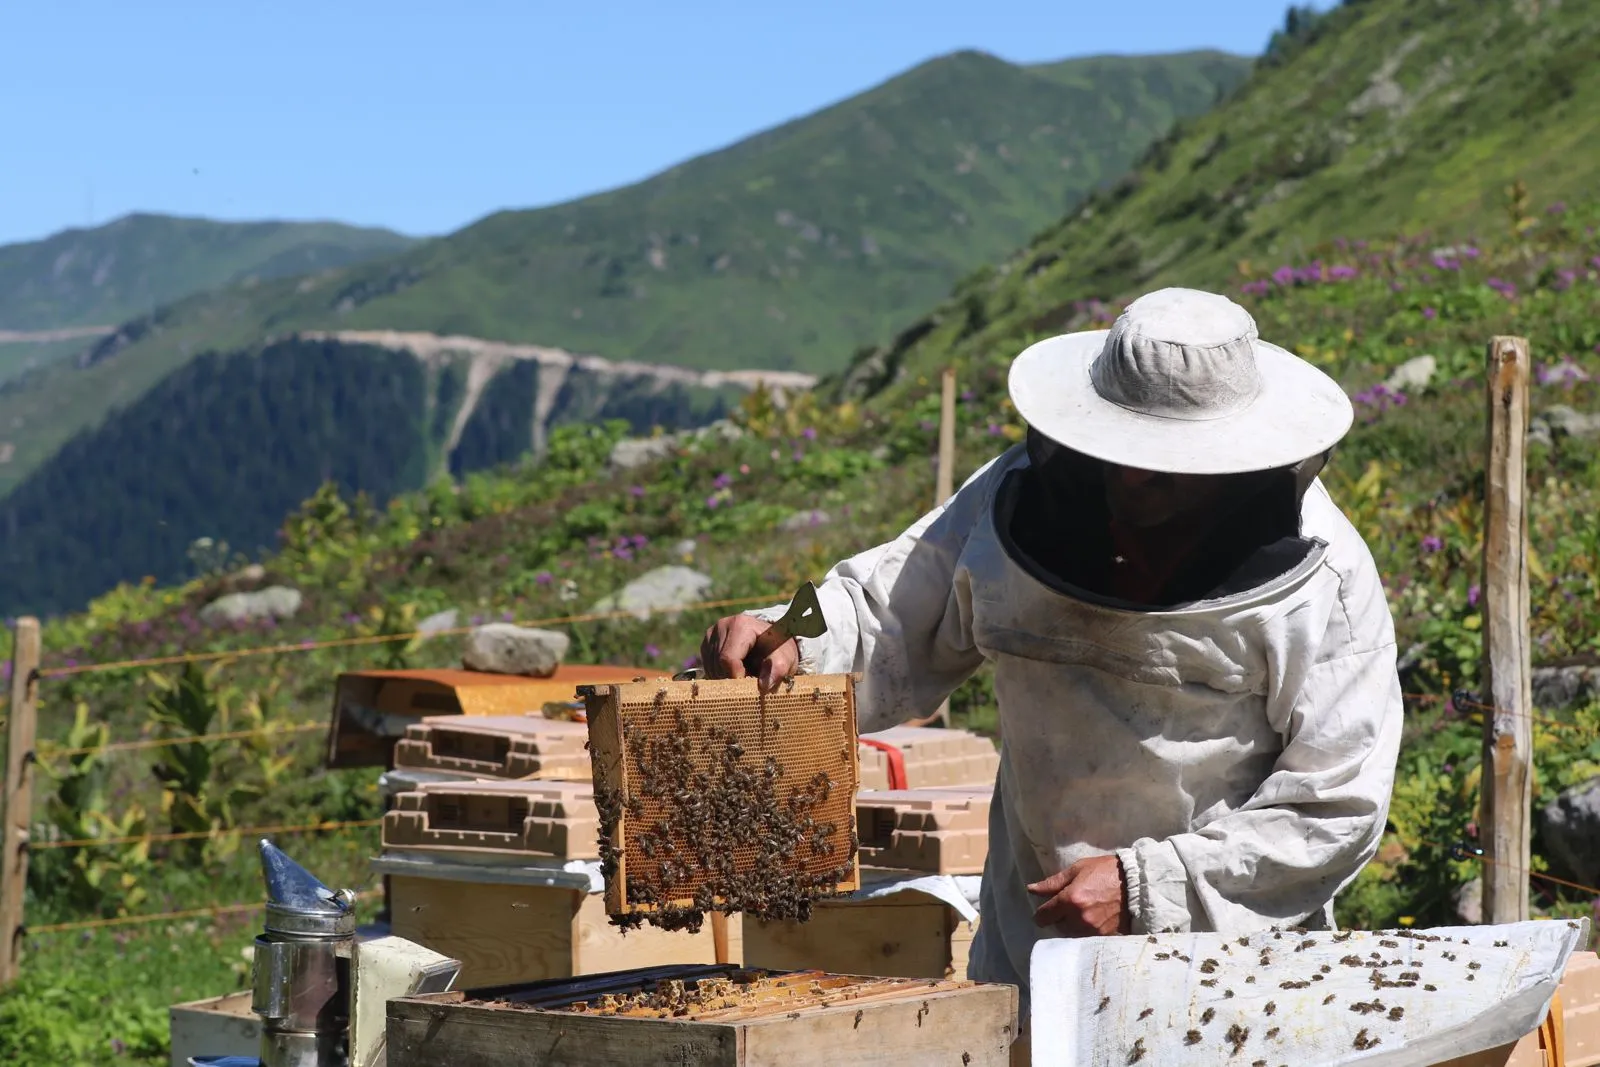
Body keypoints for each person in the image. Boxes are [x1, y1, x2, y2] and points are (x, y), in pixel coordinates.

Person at [701, 287, 1404, 1033]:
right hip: (1029, 946)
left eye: (1165, 467)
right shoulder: (1018, 497)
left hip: (1225, 967)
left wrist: (1147, 885)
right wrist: (791, 638)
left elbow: (1336, 803)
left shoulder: (1328, 580)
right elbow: (893, 607)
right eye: (1125, 455)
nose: (1134, 481)